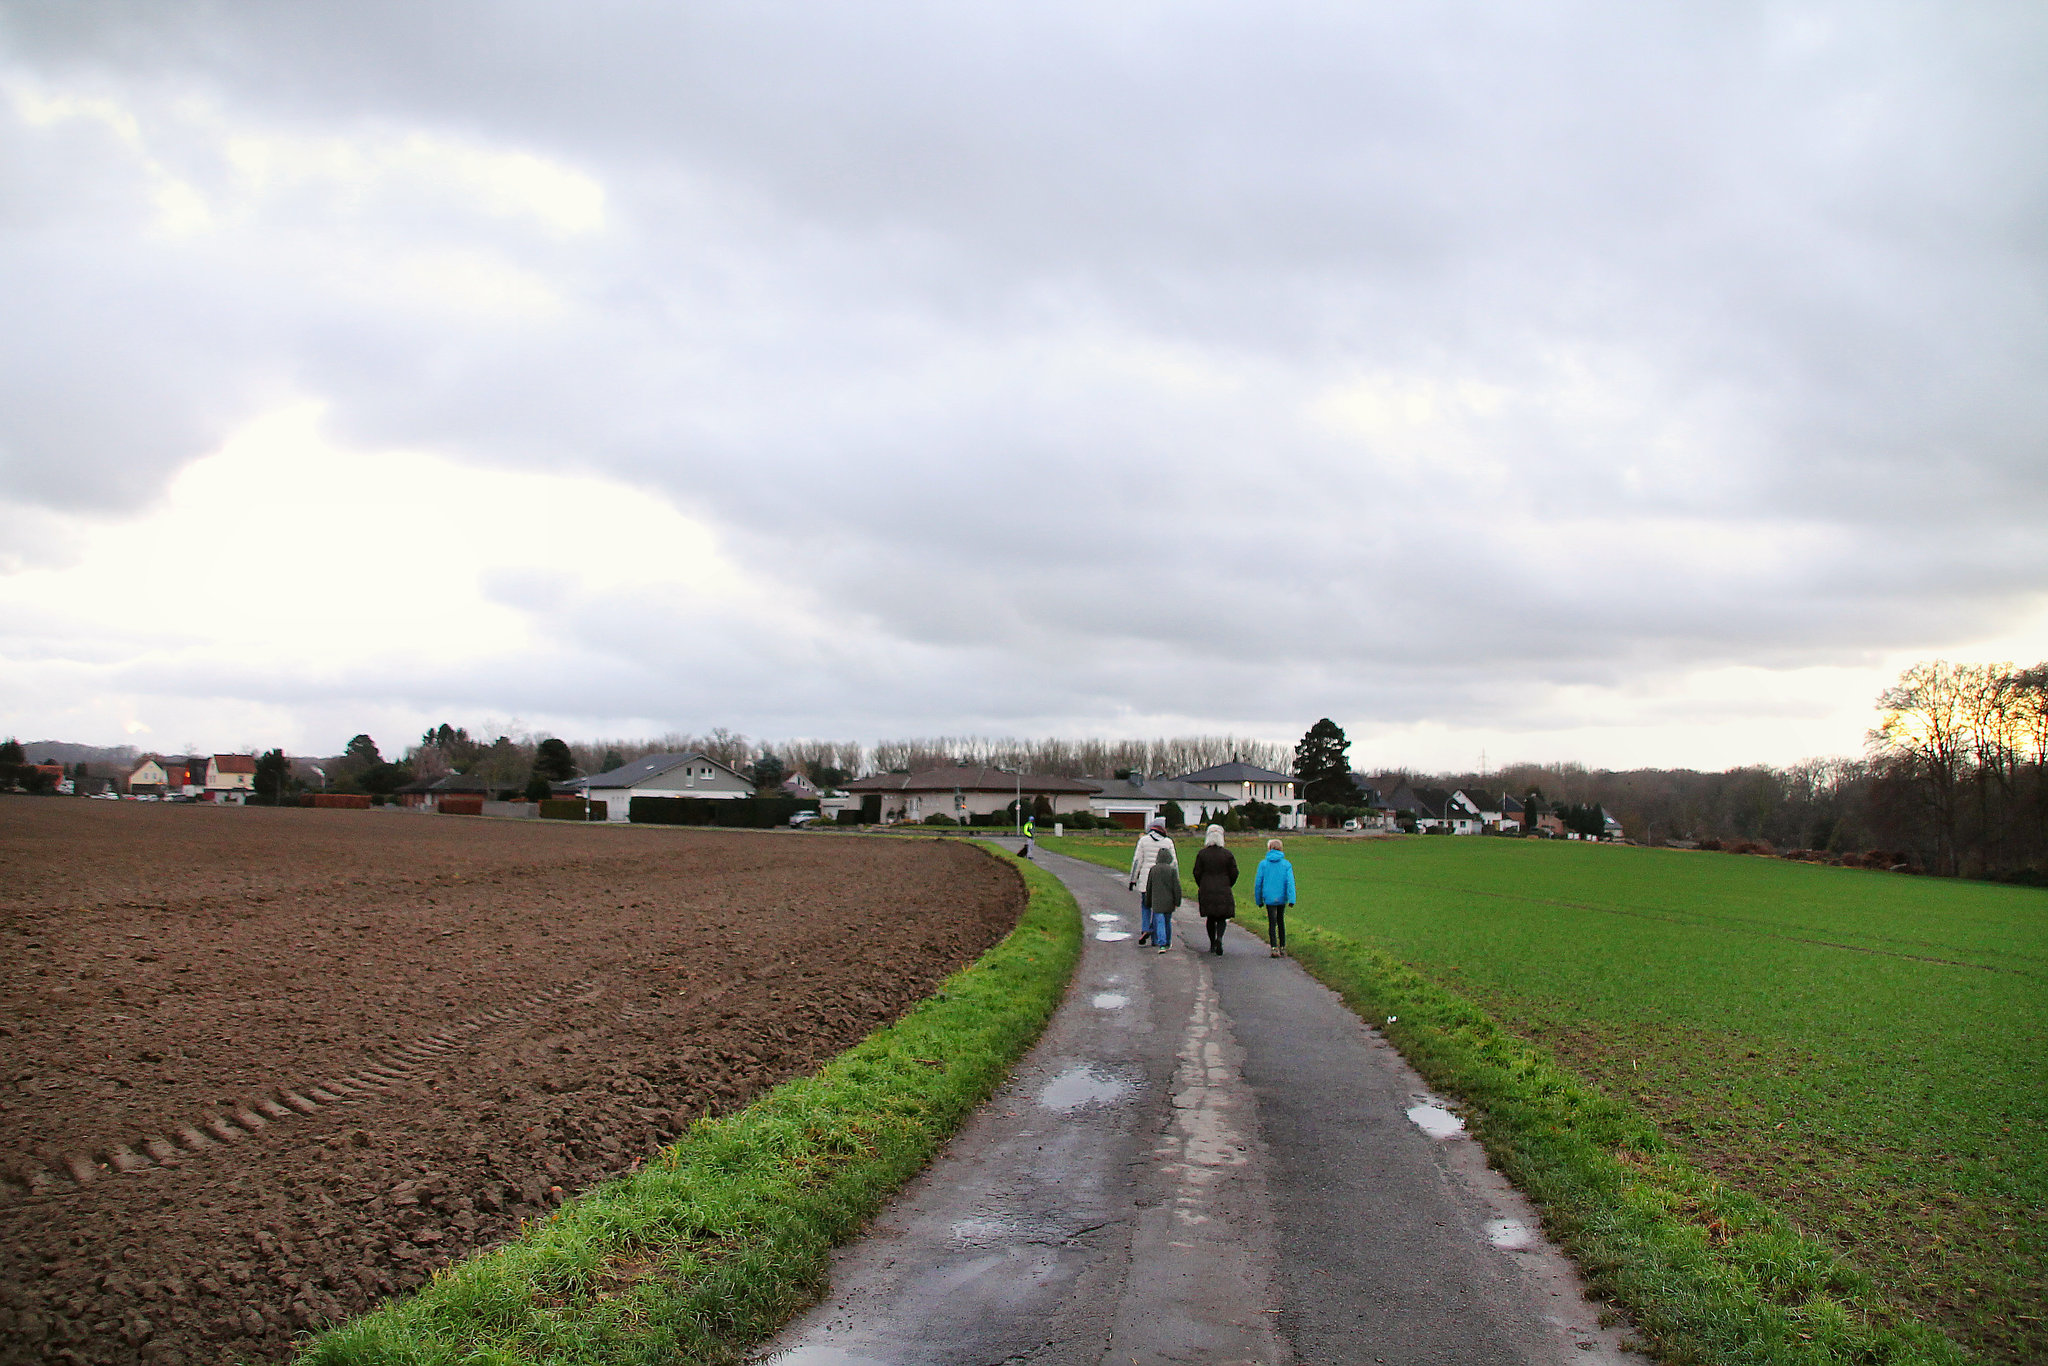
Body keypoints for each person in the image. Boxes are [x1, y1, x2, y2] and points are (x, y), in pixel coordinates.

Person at [1192, 824, 1239, 955]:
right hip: (1223, 888)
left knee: (1211, 918)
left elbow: (1196, 872)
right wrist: (1229, 883)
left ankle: (1212, 943)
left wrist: (1201, 884)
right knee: (1222, 918)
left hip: (1206, 888)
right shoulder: (1227, 854)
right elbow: (1234, 872)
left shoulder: (1202, 854)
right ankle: (1220, 938)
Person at [1129, 819, 1176, 946]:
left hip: (1146, 880)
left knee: (1145, 906)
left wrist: (1133, 879)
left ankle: (1146, 928)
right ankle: (1155, 938)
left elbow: (1137, 861)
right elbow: (1174, 864)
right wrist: (1174, 881)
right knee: (1158, 909)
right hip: (1161, 882)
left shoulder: (1143, 840)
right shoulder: (1168, 842)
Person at [1252, 837, 1296, 958]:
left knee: (1272, 922)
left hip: (1269, 898)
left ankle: (1273, 947)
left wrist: (1259, 900)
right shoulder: (1286, 864)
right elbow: (1290, 883)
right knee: (1281, 921)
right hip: (1281, 897)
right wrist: (1292, 899)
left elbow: (1258, 883)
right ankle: (1282, 947)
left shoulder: (1263, 864)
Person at [1144, 844, 1181, 953]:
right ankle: (1168, 942)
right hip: (1169, 901)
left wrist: (1148, 901)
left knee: (1159, 921)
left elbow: (1149, 887)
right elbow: (1176, 888)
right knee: (1167, 921)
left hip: (1157, 902)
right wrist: (1177, 901)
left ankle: (1162, 943)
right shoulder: (1172, 870)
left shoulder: (1153, 870)